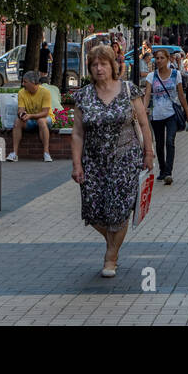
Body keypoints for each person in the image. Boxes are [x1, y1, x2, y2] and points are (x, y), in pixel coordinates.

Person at [72, 44, 154, 277]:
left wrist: (148, 153)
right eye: (94, 65)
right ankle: (113, 240)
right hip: (93, 160)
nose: (99, 69)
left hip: (125, 158)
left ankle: (111, 257)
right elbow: (77, 132)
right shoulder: (84, 95)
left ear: (113, 66)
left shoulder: (128, 90)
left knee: (118, 210)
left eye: (103, 64)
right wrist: (76, 164)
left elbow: (144, 123)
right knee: (92, 210)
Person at [143, 48, 188, 186]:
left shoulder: (176, 74)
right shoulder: (151, 76)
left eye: (161, 58)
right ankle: (162, 169)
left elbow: (181, 95)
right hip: (157, 114)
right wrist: (143, 109)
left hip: (171, 113)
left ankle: (168, 172)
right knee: (159, 144)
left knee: (170, 141)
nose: (159, 61)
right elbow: (147, 95)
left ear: (168, 59)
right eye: (157, 58)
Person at [10, 71, 54, 161]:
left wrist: (30, 116)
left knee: (41, 120)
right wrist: (21, 114)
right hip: (30, 120)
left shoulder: (45, 92)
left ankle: (46, 153)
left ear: (33, 82)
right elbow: (21, 109)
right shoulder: (21, 92)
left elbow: (45, 113)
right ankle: (14, 153)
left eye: (25, 82)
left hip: (46, 119)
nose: (23, 84)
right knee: (17, 121)